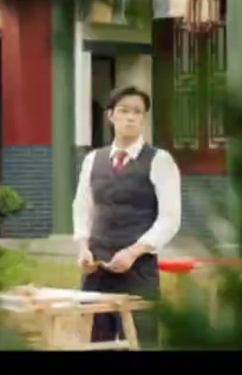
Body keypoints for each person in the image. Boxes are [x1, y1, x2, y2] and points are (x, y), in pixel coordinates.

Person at [73, 85, 181, 348]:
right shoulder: (93, 160)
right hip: (97, 269)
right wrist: (83, 247)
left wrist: (133, 252)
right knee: (96, 342)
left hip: (138, 270)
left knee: (141, 341)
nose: (130, 117)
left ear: (143, 118)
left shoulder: (160, 160)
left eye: (137, 112)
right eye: (124, 111)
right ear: (111, 115)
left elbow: (170, 219)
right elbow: (83, 207)